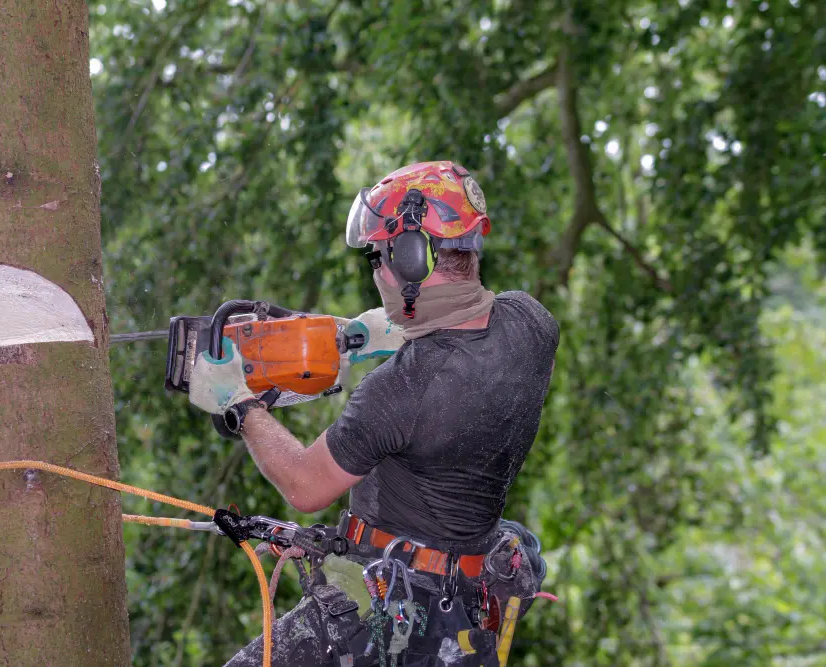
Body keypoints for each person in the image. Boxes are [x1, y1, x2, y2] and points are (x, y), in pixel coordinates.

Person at [189, 161, 559, 666]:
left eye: (379, 257)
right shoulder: (532, 325)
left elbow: (305, 486)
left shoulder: (403, 389)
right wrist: (378, 334)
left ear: (411, 259)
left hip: (389, 614)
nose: (377, 271)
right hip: (466, 612)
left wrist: (239, 402)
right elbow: (468, 326)